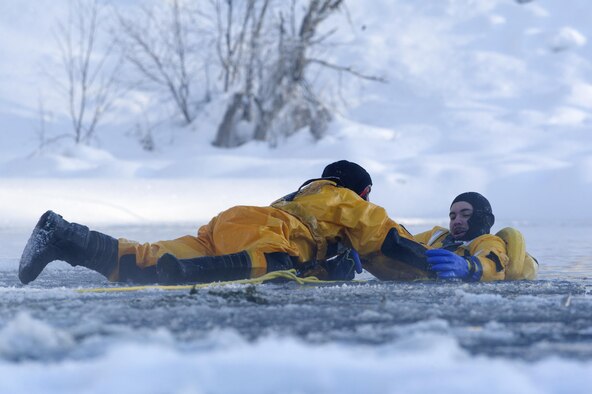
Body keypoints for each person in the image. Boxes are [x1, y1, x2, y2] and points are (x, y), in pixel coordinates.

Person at [18, 160, 417, 285]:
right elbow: (386, 242)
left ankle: (62, 234)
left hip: (229, 224)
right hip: (266, 232)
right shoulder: (345, 199)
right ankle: (186, 272)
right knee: (277, 266)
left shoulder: (302, 198)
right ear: (360, 191)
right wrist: (433, 268)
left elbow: (314, 261)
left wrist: (330, 270)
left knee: (144, 260)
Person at [363, 192, 537, 281]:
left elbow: (493, 263)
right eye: (452, 217)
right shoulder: (436, 235)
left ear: (482, 218)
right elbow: (402, 240)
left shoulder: (488, 242)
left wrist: (468, 267)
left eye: (465, 214)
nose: (456, 221)